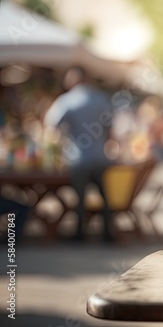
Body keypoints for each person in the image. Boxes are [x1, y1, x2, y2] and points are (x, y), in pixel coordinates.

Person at [44, 67, 114, 242]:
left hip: (78, 158)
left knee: (80, 197)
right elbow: (110, 128)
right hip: (99, 156)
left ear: (73, 80)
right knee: (104, 196)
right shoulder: (100, 98)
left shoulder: (67, 100)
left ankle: (80, 233)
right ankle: (108, 232)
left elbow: (51, 124)